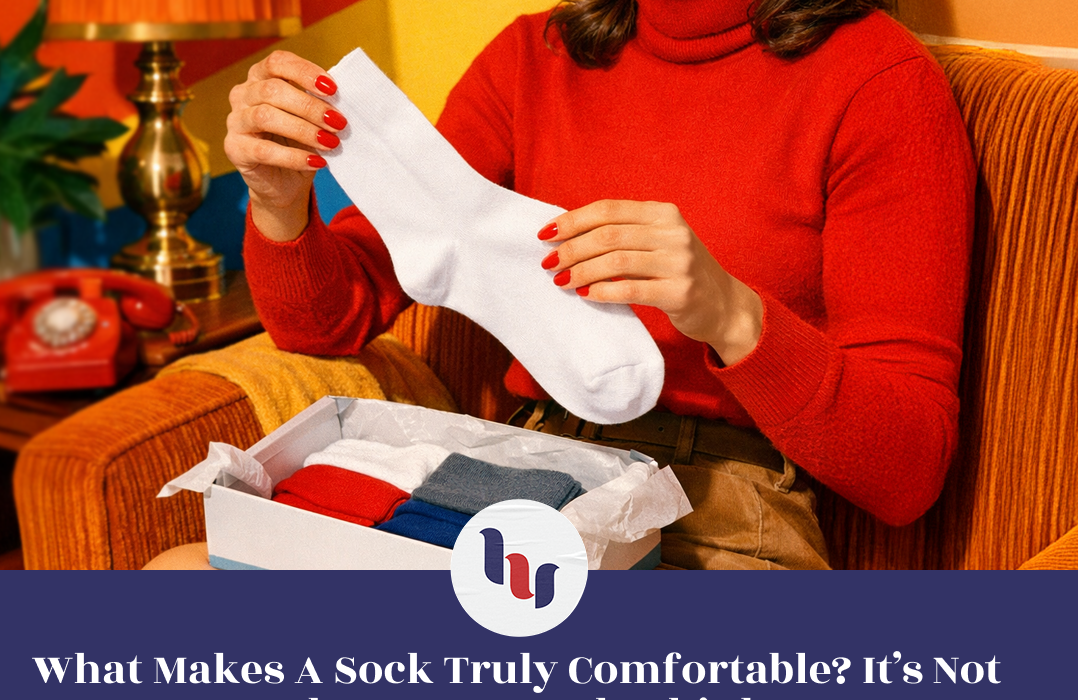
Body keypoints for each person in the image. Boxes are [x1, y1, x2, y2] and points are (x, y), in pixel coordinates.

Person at [223, 0, 975, 570]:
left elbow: (905, 474)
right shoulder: (533, 57)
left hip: (722, 507)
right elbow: (324, 323)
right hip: (528, 469)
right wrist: (278, 200)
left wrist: (732, 314)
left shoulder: (879, 81)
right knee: (181, 574)